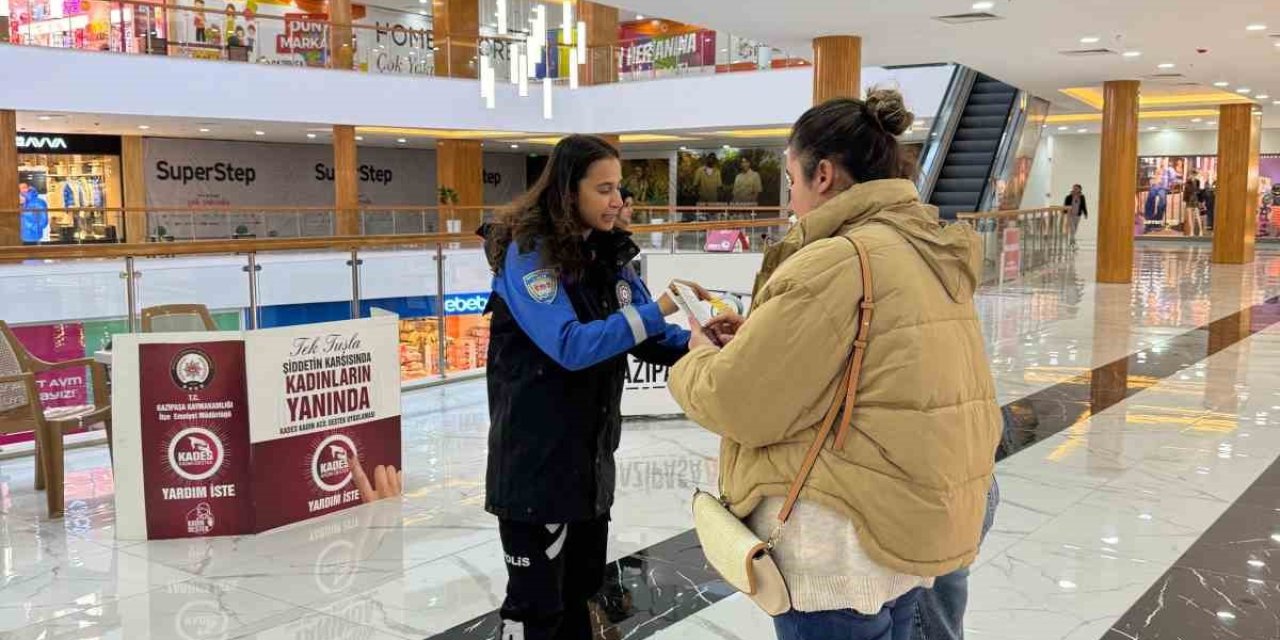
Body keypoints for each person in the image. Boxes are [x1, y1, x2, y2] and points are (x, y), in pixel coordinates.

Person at [668, 91, 1001, 640]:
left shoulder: (838, 258)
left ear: (822, 174)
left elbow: (740, 403)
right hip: (906, 524)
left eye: (791, 179)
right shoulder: (926, 247)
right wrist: (762, 339)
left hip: (840, 541)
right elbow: (878, 367)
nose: (792, 197)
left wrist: (697, 357)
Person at [481, 135, 705, 640]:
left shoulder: (607, 254)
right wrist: (658, 309)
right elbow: (570, 345)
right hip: (535, 472)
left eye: (618, 188)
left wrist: (699, 342)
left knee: (580, 596)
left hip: (589, 469)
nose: (616, 201)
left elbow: (645, 336)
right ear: (567, 191)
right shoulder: (528, 252)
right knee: (537, 612)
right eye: (603, 189)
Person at [1063, 184, 1088, 248]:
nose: (1075, 189)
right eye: (1074, 188)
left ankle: (1072, 241)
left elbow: (1083, 205)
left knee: (1075, 228)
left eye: (1076, 188)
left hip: (1078, 215)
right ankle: (1072, 241)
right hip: (1070, 215)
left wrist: (1085, 213)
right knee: (1072, 229)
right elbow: (1065, 205)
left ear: (1080, 189)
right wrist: (1064, 213)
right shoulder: (1068, 197)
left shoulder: (1082, 197)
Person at [1183, 170, 1202, 236]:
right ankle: (1191, 232)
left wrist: (1200, 200)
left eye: (1194, 174)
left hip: (1195, 198)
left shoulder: (1197, 181)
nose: (1192, 175)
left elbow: (1198, 191)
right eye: (1192, 174)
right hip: (1189, 199)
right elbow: (1185, 192)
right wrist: (1184, 200)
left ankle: (1201, 231)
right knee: (1190, 217)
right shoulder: (1187, 182)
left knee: (1197, 215)